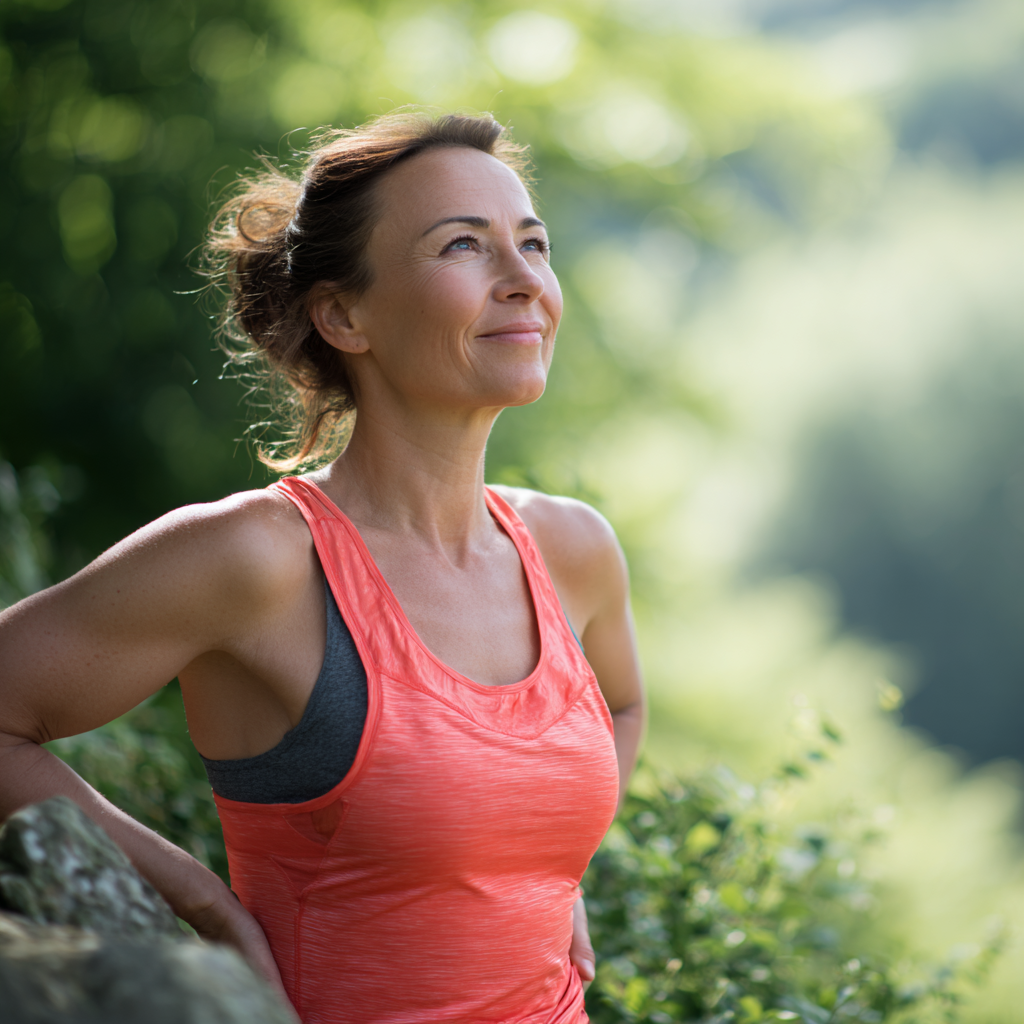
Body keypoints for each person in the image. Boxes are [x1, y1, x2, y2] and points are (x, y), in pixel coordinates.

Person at [0, 111, 645, 1024]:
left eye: (532, 243)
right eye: (464, 246)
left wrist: (550, 860)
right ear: (344, 315)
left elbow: (623, 704)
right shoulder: (256, 559)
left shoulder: (573, 548)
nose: (523, 281)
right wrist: (200, 899)